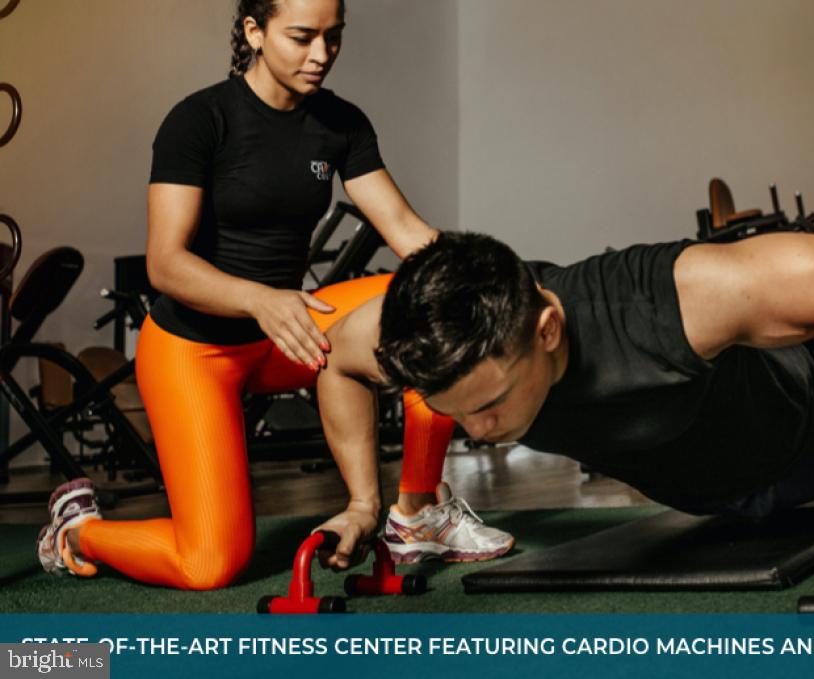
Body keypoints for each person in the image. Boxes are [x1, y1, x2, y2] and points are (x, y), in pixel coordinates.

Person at [36, 0, 512, 589]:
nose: (321, 55)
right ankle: (76, 530)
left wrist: (499, 277)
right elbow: (166, 263)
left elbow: (409, 233)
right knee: (210, 563)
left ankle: (417, 514)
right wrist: (261, 298)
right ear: (254, 31)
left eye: (333, 38)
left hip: (290, 334)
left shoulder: (340, 123)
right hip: (196, 350)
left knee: (430, 304)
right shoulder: (199, 120)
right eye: (302, 37)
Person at [311, 230, 814, 571]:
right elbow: (336, 358)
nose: (479, 430)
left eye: (493, 402)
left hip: (804, 442)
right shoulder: (417, 339)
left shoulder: (665, 300)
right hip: (697, 494)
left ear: (548, 329)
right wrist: (365, 504)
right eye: (456, 411)